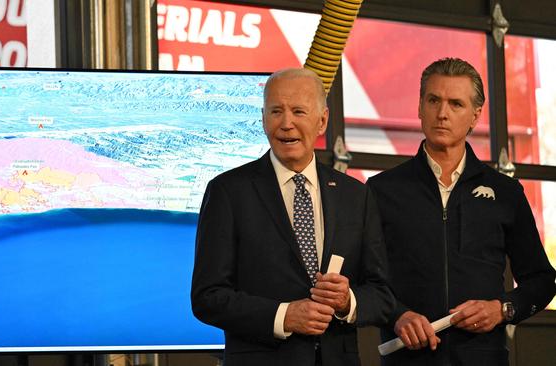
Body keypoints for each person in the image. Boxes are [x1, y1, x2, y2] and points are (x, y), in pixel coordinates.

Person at [191, 68, 394, 366]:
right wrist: (284, 316)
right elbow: (207, 297)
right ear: (263, 119)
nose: (286, 124)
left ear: (322, 120)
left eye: (299, 111)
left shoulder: (355, 196)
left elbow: (382, 295)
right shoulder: (228, 191)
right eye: (276, 111)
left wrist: (347, 301)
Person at [367, 57, 556, 365]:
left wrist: (502, 309)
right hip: (406, 359)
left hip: (484, 358)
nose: (442, 114)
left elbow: (542, 280)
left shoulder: (506, 193)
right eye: (433, 101)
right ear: (419, 107)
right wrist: (397, 316)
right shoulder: (381, 190)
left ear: (475, 115)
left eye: (456, 104)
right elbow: (363, 279)